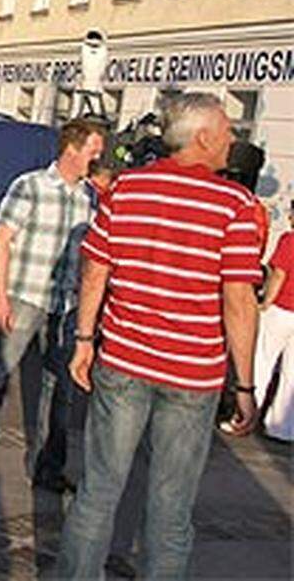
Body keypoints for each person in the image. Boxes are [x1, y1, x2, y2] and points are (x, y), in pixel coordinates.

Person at [57, 93, 262, 579]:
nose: (233, 139)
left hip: (124, 361)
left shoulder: (126, 190)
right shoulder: (234, 204)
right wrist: (246, 386)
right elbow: (238, 300)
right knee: (171, 507)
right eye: (228, 130)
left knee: (98, 493)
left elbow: (94, 270)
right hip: (193, 374)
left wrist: (84, 340)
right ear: (204, 138)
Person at [0, 119, 104, 492]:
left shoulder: (90, 197)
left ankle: (49, 468)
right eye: (94, 151)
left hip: (65, 305)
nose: (98, 159)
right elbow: (3, 241)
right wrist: (0, 297)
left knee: (61, 390)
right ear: (72, 149)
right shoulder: (30, 186)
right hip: (24, 297)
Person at [252, 200, 294, 440]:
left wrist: (266, 302)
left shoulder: (289, 240)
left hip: (282, 309)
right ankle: (282, 428)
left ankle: (247, 413)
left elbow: (279, 274)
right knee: (292, 373)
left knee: (263, 360)